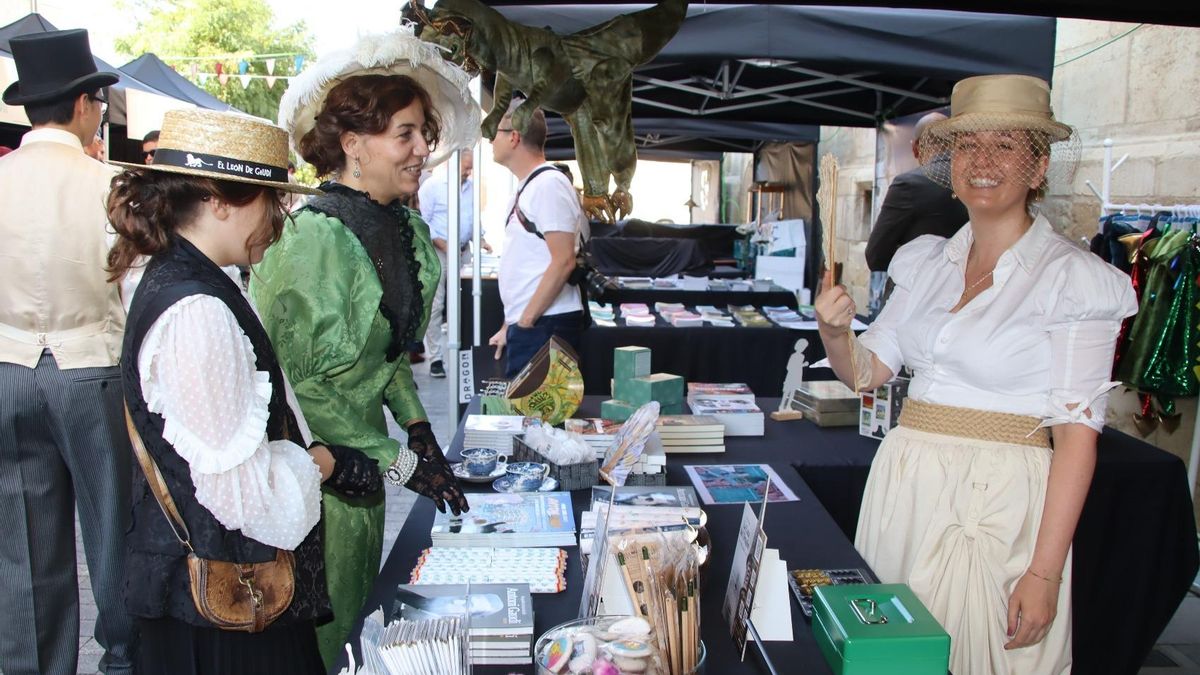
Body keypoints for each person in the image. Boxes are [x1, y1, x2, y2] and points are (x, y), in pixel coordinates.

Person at [815, 74, 1137, 674]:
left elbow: (1075, 438)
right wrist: (835, 331)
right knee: (891, 657)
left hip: (998, 502)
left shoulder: (1075, 281)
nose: (983, 162)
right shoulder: (927, 261)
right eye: (967, 147)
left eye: (1006, 146)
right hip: (906, 486)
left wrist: (1044, 573)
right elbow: (867, 374)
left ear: (1038, 169)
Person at [106, 108, 384, 674]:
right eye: (271, 201)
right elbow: (242, 496)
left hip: (222, 600)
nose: (281, 219)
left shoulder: (192, 279)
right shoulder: (197, 310)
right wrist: (323, 464)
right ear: (218, 198)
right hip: (224, 612)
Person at [258, 29, 477, 665]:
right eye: (403, 134)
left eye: (422, 134)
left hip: (365, 471)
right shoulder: (315, 238)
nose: (420, 151)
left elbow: (383, 352)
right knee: (326, 627)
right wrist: (400, 459)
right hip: (318, 472)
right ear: (354, 145)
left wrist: (418, 429)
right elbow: (305, 387)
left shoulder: (402, 226)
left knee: (355, 610)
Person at [0, 29, 134, 675]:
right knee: (113, 527)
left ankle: (33, 667)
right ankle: (125, 658)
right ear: (84, 104)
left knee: (22, 540)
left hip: (7, 366)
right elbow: (134, 287)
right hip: (90, 366)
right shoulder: (108, 182)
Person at [488, 99, 588, 378]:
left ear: (514, 137)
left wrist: (527, 320)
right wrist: (512, 325)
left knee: (538, 418)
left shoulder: (548, 185)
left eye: (494, 132)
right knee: (528, 417)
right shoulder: (531, 185)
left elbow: (564, 261)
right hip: (535, 323)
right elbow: (533, 262)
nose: (489, 140)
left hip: (545, 324)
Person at [418, 147, 492, 378]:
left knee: (464, 303)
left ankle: (463, 350)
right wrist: (442, 244)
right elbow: (423, 222)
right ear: (453, 163)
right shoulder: (432, 186)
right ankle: (436, 358)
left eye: (470, 168)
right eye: (466, 167)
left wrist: (481, 239)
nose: (469, 172)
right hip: (439, 252)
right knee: (437, 304)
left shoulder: (470, 187)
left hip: (462, 252)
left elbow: (472, 217)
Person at [864, 112, 968, 273]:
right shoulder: (974, 181)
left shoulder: (908, 184)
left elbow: (876, 256)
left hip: (919, 289)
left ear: (915, 148)